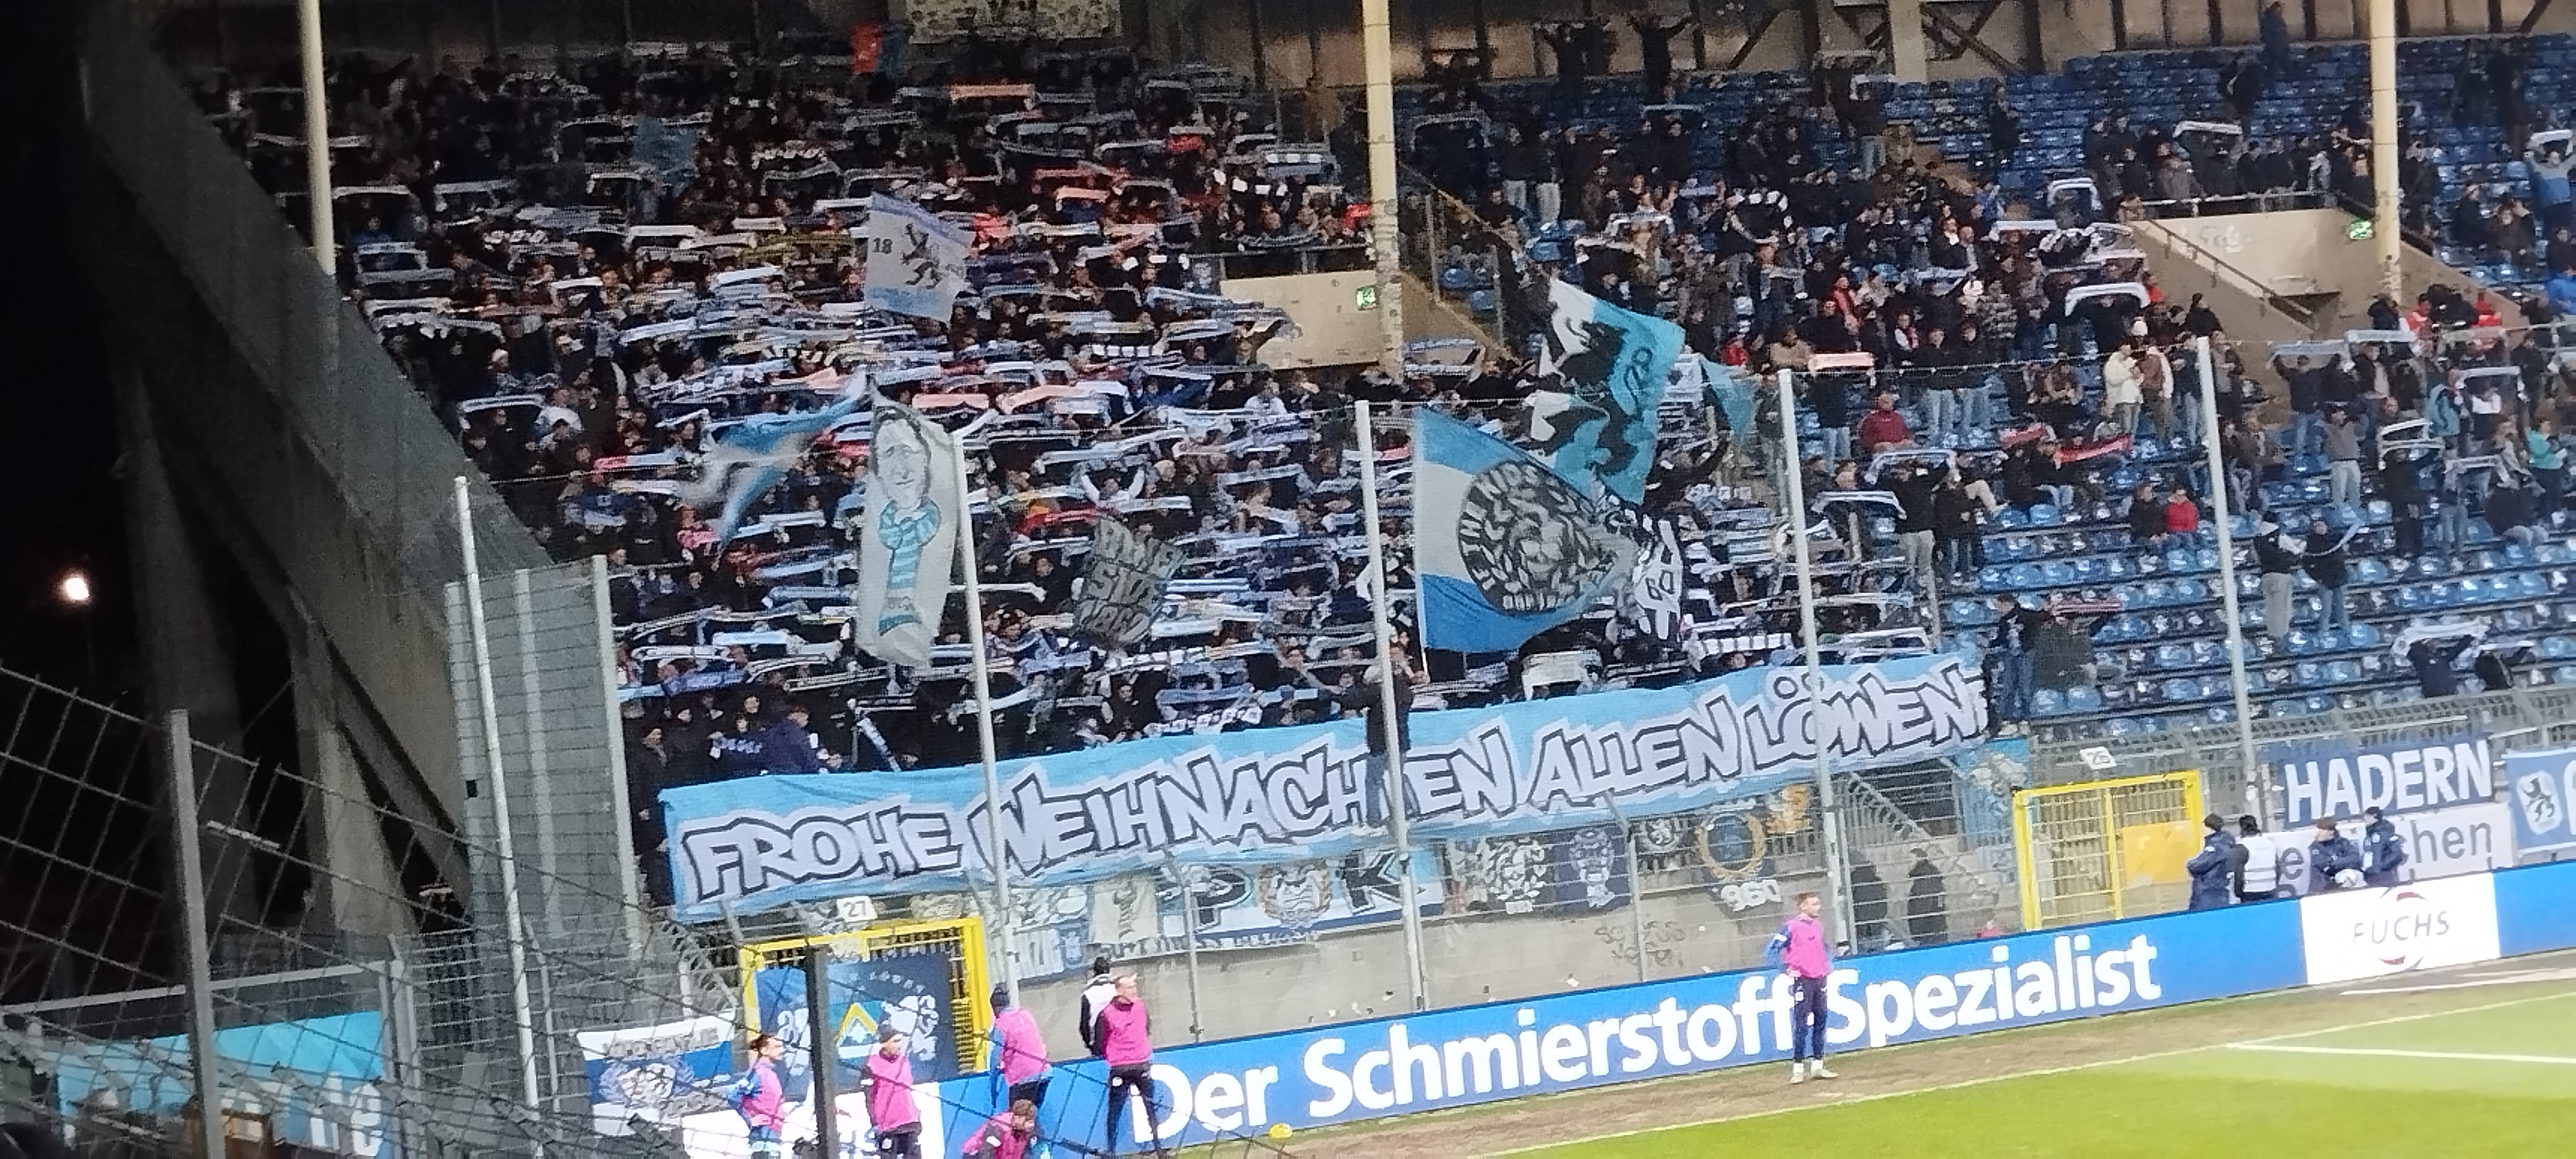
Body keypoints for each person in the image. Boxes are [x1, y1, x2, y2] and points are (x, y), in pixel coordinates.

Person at [1765, 892, 1837, 1083]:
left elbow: (1825, 948)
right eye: (1813, 904)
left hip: (1819, 979)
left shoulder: (1818, 926)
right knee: (1802, 1024)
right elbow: (1771, 950)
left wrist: (1828, 964)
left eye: (1818, 903)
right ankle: (1798, 1068)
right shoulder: (1791, 927)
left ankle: (1818, 1066)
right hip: (1803, 980)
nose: (1817, 907)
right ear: (1803, 907)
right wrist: (1786, 969)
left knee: (1821, 1020)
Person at [1094, 975, 1169, 1158]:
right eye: (1129, 987)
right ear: (1118, 991)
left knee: (1151, 1107)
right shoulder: (1106, 1014)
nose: (1134, 990)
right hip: (1120, 1067)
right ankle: (1111, 1150)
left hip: (1141, 1064)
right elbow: (1100, 1042)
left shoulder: (1140, 1007)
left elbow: (1146, 1029)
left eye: (1134, 986)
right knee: (1115, 1110)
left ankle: (1159, 1148)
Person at [986, 986, 1052, 1117]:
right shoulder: (1025, 1014)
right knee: (1029, 1117)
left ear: (994, 1009)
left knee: (1017, 1120)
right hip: (1043, 1074)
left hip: (1023, 1079)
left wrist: (992, 1084)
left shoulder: (1001, 1025)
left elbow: (995, 1059)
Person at [863, 1026, 922, 1159]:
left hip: (910, 1122)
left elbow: (907, 1090)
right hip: (888, 1126)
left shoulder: (903, 1061)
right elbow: (869, 1098)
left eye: (900, 1041)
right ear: (884, 1044)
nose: (900, 1045)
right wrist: (876, 1124)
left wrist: (916, 1114)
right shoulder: (871, 1064)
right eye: (895, 1041)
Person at [727, 1033, 787, 1159]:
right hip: (764, 1139)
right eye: (777, 1047)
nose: (782, 1050)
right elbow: (733, 1094)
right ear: (764, 1050)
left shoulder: (770, 1073)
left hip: (772, 1135)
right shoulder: (758, 1073)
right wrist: (750, 1119)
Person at [2185, 813, 2238, 910]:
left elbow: (2201, 864)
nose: (2201, 830)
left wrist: (2190, 865)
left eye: (2203, 826)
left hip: (2209, 890)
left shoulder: (2215, 845)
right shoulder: (2225, 842)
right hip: (2219, 889)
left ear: (2209, 827)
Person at [959, 1099, 1040, 1159]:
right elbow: (986, 1153)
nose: (1032, 1125)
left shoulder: (1023, 1131)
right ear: (1017, 1117)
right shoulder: (998, 1129)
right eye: (1028, 1121)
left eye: (1032, 1121)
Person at [2232, 816, 2282, 903]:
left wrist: (2238, 892)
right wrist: (2274, 885)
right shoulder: (2270, 844)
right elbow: (2278, 869)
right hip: (2270, 889)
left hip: (2251, 892)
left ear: (2242, 828)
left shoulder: (2242, 846)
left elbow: (2239, 873)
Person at [1905, 848, 1948, 946]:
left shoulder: (1925, 880)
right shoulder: (1927, 877)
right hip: (1934, 931)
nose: (1908, 865)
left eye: (1910, 861)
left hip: (1929, 933)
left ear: (1920, 860)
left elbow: (1922, 909)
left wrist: (1917, 933)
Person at [1075, 958, 1117, 1056]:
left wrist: (1090, 1044)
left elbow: (1084, 1024)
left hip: (1098, 1042)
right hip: (1121, 1038)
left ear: (1094, 971)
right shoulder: (1118, 989)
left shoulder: (1088, 993)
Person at [2361, 805, 2410, 888]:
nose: (2364, 819)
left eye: (2367, 816)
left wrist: (2381, 867)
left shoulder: (2385, 833)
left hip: (2385, 876)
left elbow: (2397, 854)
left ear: (2374, 817)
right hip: (2371, 875)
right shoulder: (2369, 834)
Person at [2309, 817, 2363, 891]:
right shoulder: (2314, 848)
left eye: (2323, 830)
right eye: (2319, 830)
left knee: (2355, 876)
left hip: (2345, 879)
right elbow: (2325, 867)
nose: (2319, 833)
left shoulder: (2343, 843)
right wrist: (2335, 864)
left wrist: (2337, 863)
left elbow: (2355, 858)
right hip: (2323, 888)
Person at [1848, 860, 1890, 948]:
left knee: (1862, 949)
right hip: (1877, 924)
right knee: (1878, 949)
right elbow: (1883, 906)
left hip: (1861, 925)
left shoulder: (1854, 885)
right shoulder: (1878, 884)